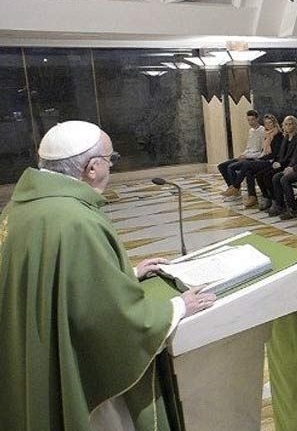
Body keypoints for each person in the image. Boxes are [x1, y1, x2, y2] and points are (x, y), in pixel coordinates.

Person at [0, 121, 215, 430]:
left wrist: (124, 273)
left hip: (30, 351)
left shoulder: (21, 208)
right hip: (77, 368)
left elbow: (57, 279)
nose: (112, 166)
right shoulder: (75, 220)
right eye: (110, 159)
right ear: (91, 168)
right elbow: (109, 319)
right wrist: (177, 307)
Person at [219, 109, 265, 201]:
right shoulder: (251, 131)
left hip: (254, 158)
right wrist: (243, 154)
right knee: (222, 166)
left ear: (257, 119)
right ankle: (232, 187)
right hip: (247, 156)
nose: (250, 122)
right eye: (248, 120)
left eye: (252, 119)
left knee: (231, 167)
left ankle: (236, 191)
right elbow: (249, 147)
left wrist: (247, 156)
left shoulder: (262, 131)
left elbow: (261, 152)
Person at [256, 115, 297, 211]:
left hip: (288, 164)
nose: (288, 126)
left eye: (290, 124)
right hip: (281, 162)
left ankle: (278, 202)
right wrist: (277, 161)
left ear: (295, 125)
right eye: (286, 124)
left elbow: (294, 156)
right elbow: (280, 153)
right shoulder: (286, 137)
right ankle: (269, 197)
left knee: (270, 176)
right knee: (259, 175)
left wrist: (281, 163)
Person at [240, 113, 283, 209]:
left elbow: (275, 153)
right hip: (264, 159)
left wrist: (260, 158)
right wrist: (259, 158)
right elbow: (264, 151)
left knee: (247, 165)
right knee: (250, 172)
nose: (268, 125)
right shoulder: (267, 135)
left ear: (274, 123)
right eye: (266, 123)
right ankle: (264, 197)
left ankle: (235, 185)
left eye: (270, 123)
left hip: (272, 161)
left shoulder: (278, 135)